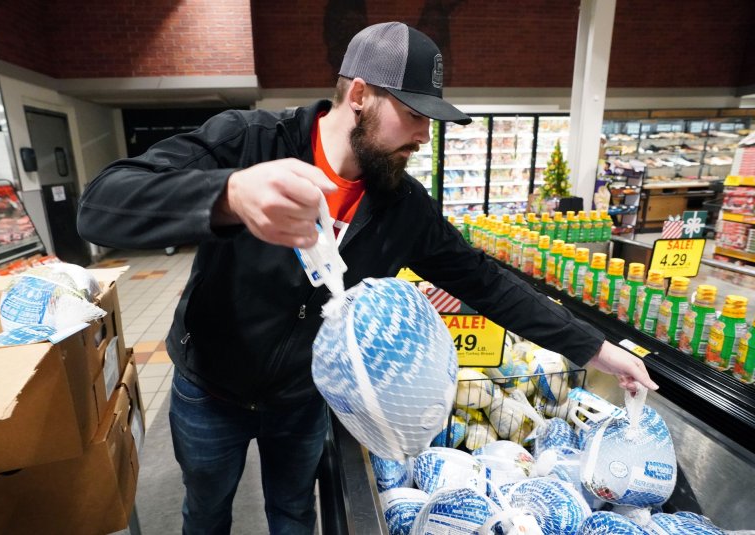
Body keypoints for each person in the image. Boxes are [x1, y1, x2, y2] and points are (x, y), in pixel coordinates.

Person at [77, 21, 658, 535]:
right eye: (413, 115)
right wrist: (227, 193)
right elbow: (101, 204)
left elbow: (485, 281)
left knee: (294, 514)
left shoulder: (402, 204)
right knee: (205, 513)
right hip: (210, 388)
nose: (425, 136)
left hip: (303, 400)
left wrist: (595, 349)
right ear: (359, 94)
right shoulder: (249, 142)